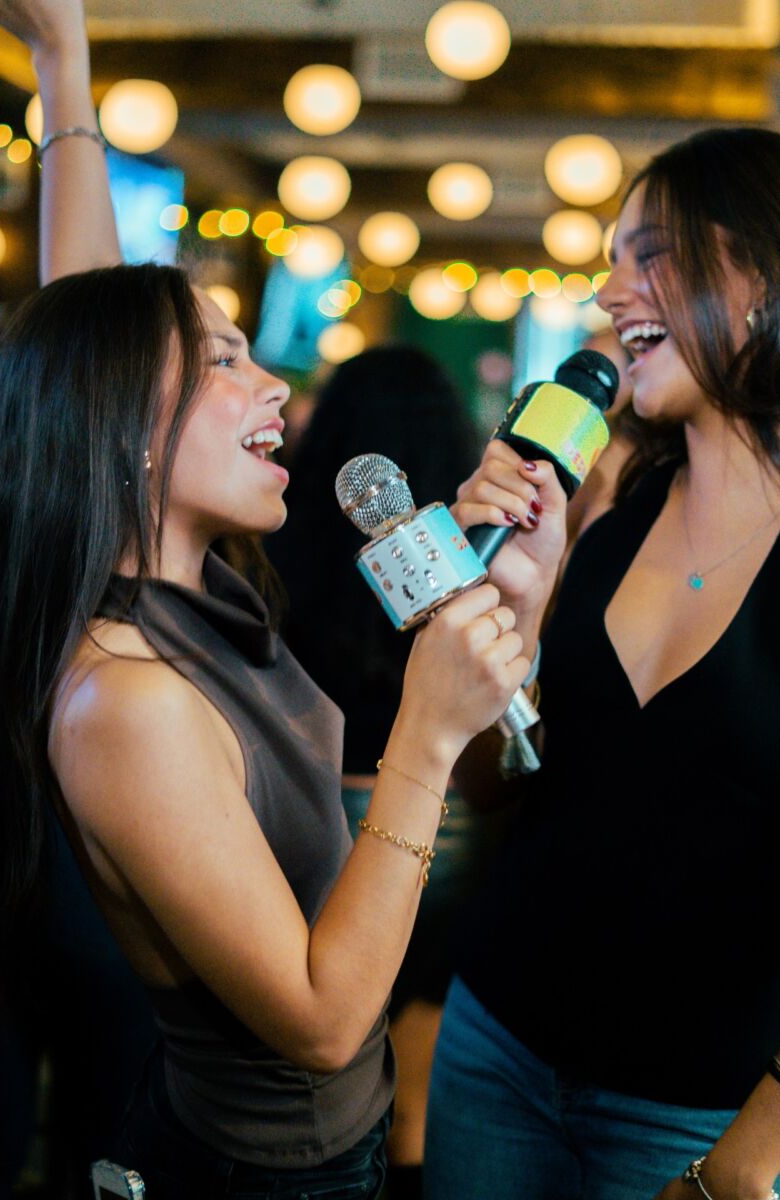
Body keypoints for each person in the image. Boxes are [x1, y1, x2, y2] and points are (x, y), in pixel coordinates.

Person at [0, 3, 562, 1197]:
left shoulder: (198, 593)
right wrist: (426, 736)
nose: (275, 384)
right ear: (128, 426)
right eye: (228, 357)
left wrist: (64, 61)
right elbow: (327, 1022)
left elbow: (93, 325)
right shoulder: (122, 697)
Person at [426, 127, 780, 1200]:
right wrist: (512, 613)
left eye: (648, 251)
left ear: (764, 268)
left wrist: (754, 1155)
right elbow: (503, 787)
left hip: (693, 1111)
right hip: (493, 1044)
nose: (611, 289)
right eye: (613, 257)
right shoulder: (609, 501)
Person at [267, 346, 511, 1197]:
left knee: (330, 1070)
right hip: (449, 821)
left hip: (321, 818)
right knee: (419, 1072)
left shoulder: (283, 537)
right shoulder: (464, 543)